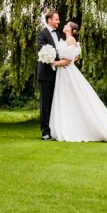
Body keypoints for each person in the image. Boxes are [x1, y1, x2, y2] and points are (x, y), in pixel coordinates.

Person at [37, 9, 71, 140]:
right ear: (49, 20)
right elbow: (43, 51)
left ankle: (55, 130)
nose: (59, 21)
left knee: (54, 103)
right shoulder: (42, 34)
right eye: (56, 19)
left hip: (57, 75)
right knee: (45, 104)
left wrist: (71, 55)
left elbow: (61, 50)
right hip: (45, 75)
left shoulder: (57, 34)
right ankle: (45, 132)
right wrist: (56, 62)